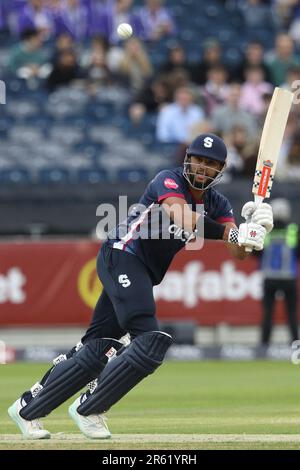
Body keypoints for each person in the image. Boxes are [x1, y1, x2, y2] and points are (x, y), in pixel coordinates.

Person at [8, 133, 273, 439]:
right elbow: (183, 218)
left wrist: (254, 228)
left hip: (143, 272)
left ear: (220, 169)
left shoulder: (217, 202)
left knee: (98, 346)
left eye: (210, 164)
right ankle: (89, 408)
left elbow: (238, 252)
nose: (202, 168)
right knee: (150, 340)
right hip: (121, 255)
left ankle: (27, 409)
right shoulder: (168, 180)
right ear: (188, 159)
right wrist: (235, 235)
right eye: (198, 160)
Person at [259, 198, 299, 347]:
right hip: (289, 277)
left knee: (268, 313)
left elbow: (257, 252)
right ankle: (295, 344)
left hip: (269, 278)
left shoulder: (265, 232)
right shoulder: (293, 231)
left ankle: (263, 347)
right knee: (292, 314)